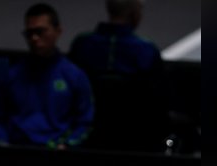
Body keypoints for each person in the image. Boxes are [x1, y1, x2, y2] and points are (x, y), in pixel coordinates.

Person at [0, 3, 94, 149]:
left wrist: (67, 145)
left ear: (58, 31)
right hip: (16, 153)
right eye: (29, 33)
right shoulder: (11, 76)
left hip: (57, 155)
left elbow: (85, 122)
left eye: (40, 31)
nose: (35, 38)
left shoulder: (75, 76)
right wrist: (2, 142)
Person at [68, 0, 168, 152]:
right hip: (135, 140)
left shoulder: (82, 44)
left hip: (89, 137)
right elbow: (160, 101)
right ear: (134, 13)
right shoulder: (147, 50)